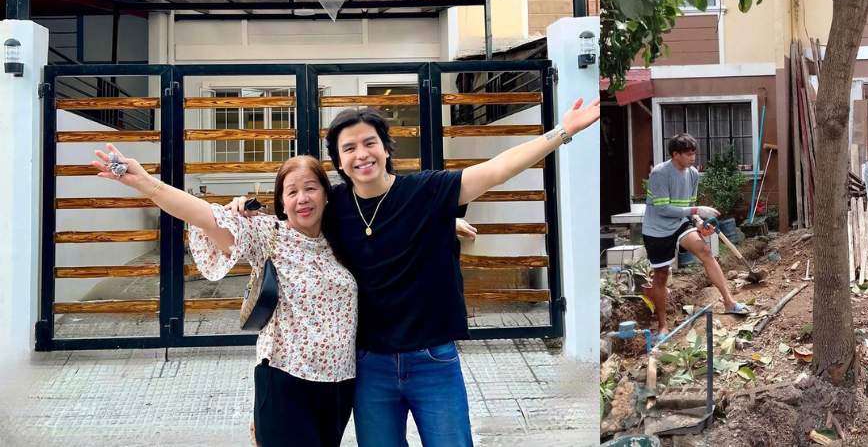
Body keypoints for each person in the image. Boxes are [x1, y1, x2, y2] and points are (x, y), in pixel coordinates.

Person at [229, 97, 599, 447]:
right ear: (339, 163)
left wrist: (561, 131)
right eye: (349, 148)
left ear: (386, 148)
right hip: (369, 365)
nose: (362, 154)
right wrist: (240, 205)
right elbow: (290, 216)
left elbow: (495, 170)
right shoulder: (334, 205)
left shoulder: (428, 191)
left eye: (369, 143)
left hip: (432, 361)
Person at [93, 148, 357, 447]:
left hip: (339, 382)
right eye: (292, 191)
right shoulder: (266, 232)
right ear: (281, 201)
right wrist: (144, 182)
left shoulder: (343, 238)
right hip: (287, 377)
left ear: (325, 193)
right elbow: (202, 214)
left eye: (311, 188)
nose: (302, 198)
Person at [642, 134, 749, 345]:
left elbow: (689, 205)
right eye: (688, 154)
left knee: (706, 253)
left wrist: (698, 221)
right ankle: (662, 325)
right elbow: (663, 209)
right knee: (661, 275)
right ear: (676, 155)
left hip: (681, 223)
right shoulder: (660, 174)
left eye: (694, 154)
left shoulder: (692, 174)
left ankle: (729, 301)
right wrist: (697, 209)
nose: (693, 158)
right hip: (657, 229)